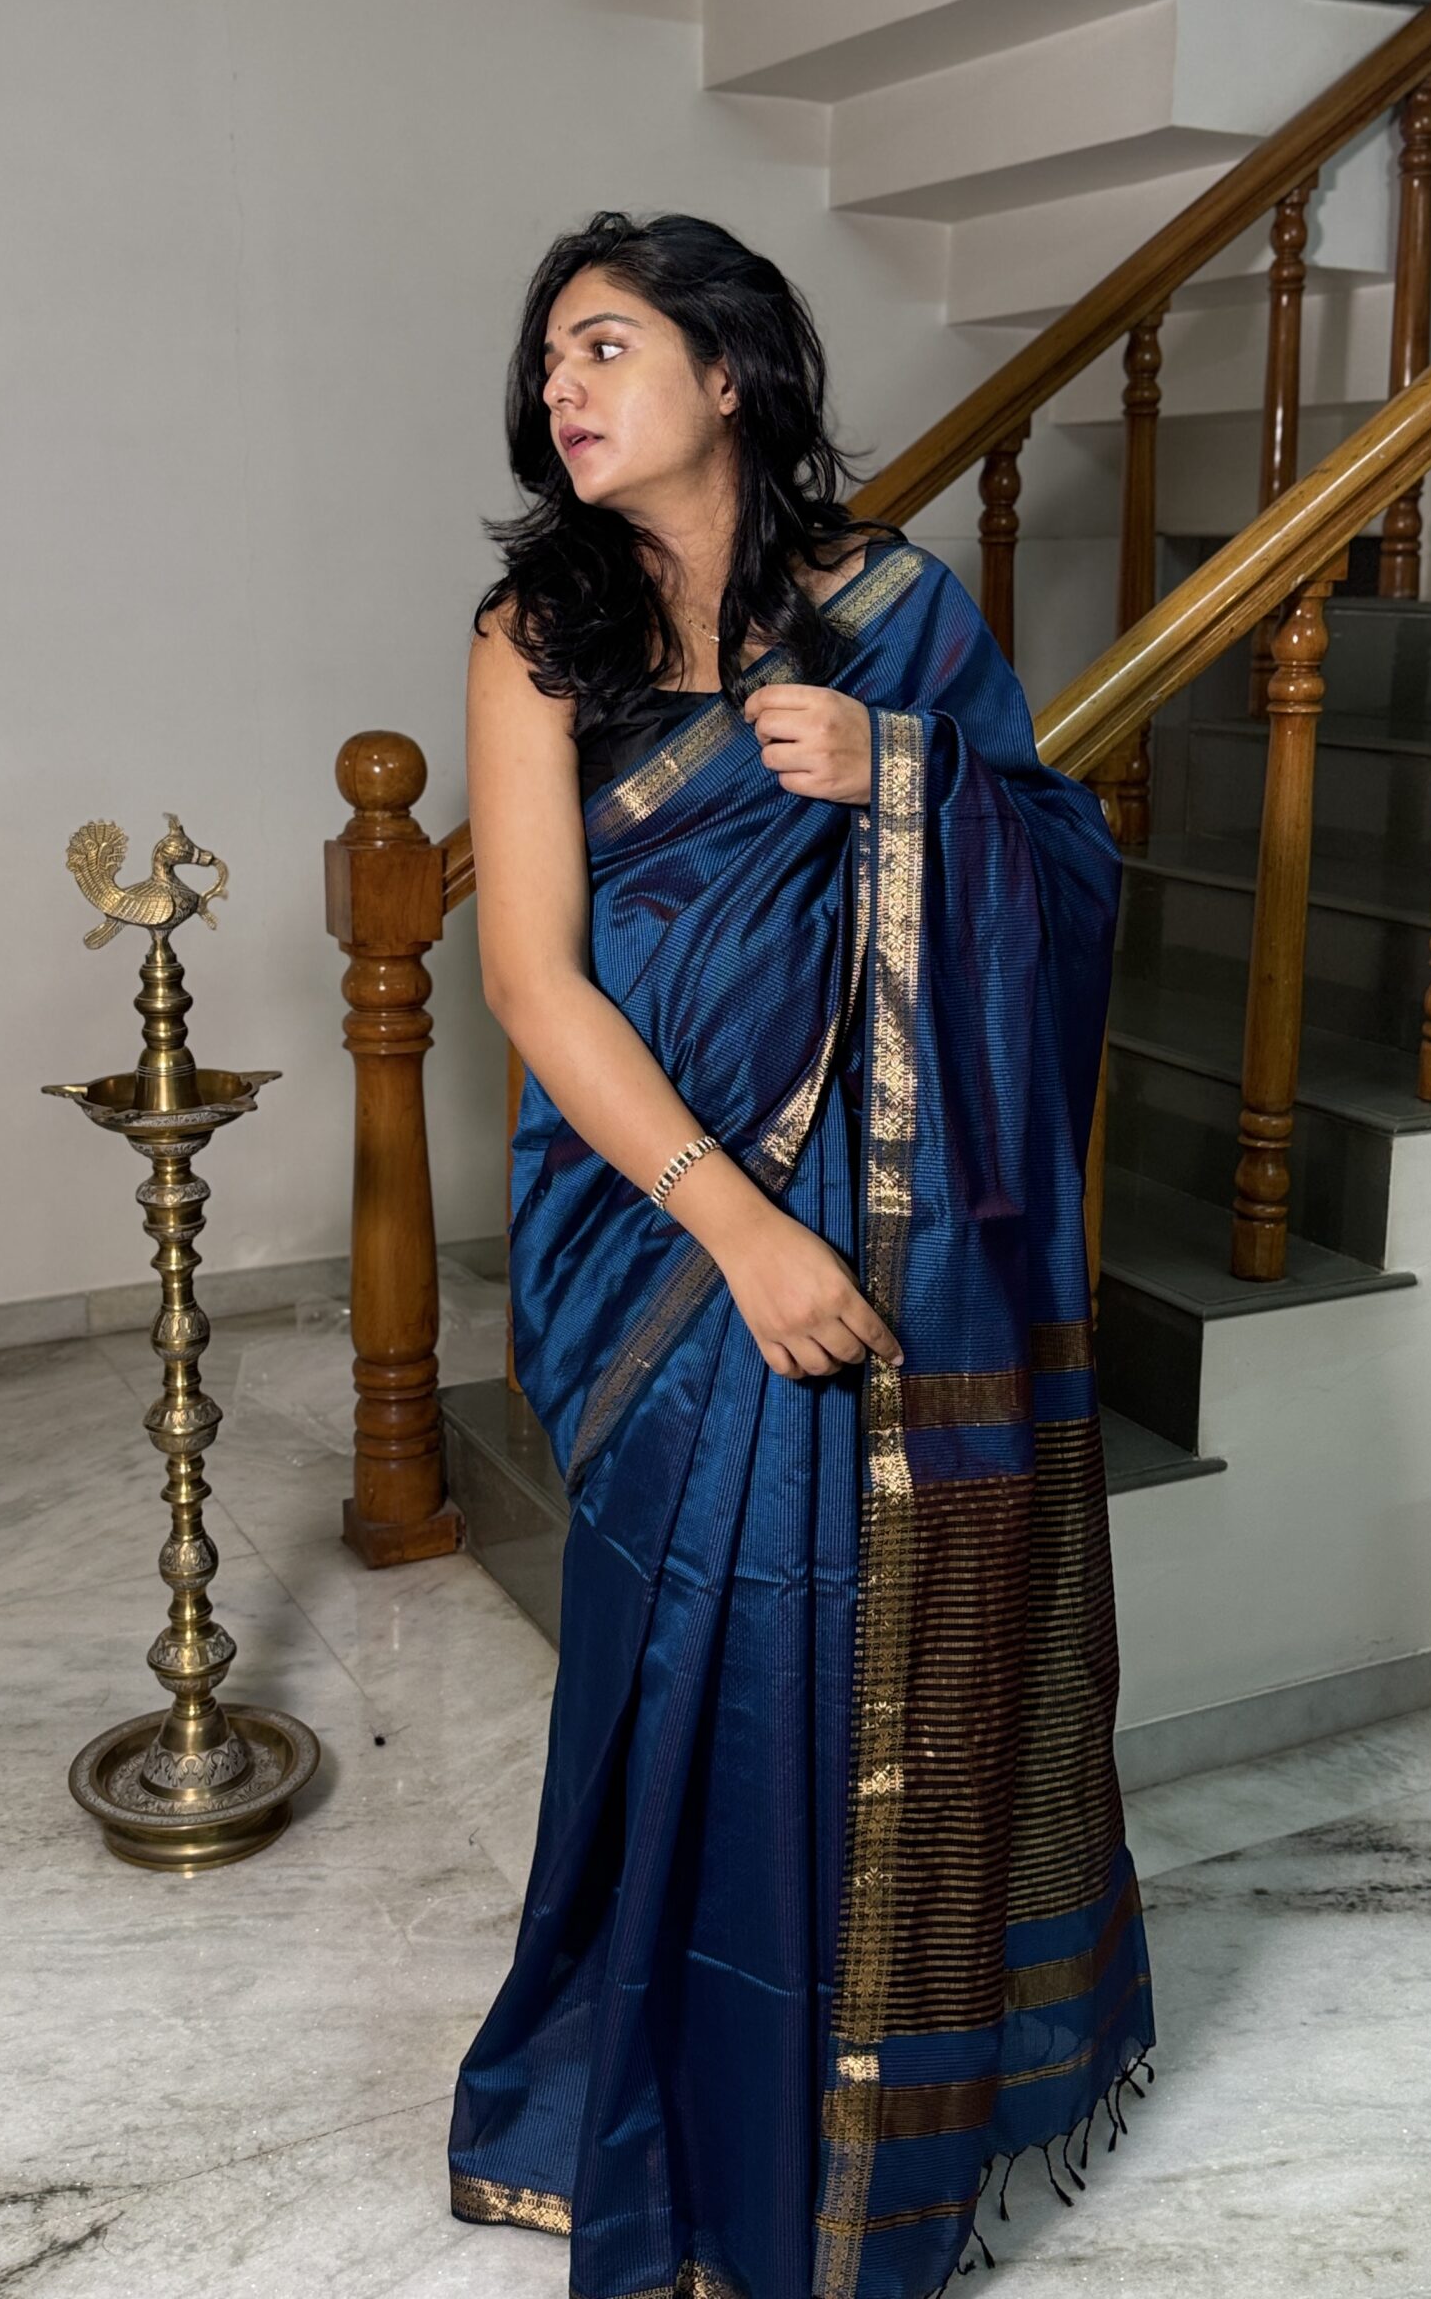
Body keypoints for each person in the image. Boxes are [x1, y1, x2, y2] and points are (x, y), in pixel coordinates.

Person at [448, 209, 1154, 2299]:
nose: (563, 386)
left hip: (895, 1226)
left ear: (728, 372)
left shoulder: (895, 618)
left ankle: (865, 2147)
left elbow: (1067, 865)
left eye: (604, 345)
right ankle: (667, 2132)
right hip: (662, 1231)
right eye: (549, 359)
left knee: (876, 1651)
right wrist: (741, 1224)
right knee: (695, 1656)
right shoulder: (533, 634)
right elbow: (532, 978)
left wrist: (897, 775)